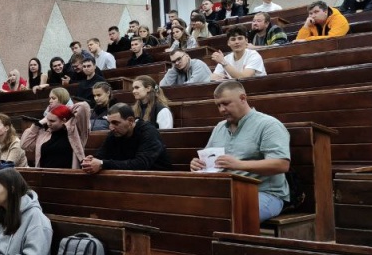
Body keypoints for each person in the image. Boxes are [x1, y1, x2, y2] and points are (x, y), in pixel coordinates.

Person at [188, 81, 291, 222]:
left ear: (243, 98)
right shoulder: (219, 127)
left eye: (226, 103)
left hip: (264, 193)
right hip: (225, 192)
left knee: (229, 215)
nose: (221, 109)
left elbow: (281, 165)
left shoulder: (268, 125)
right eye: (218, 105)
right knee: (185, 208)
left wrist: (238, 164)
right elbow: (208, 161)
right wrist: (198, 165)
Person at [82, 104, 173, 173]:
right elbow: (102, 155)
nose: (111, 127)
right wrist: (91, 161)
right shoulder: (114, 133)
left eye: (115, 123)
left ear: (130, 121)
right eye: (109, 123)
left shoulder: (148, 132)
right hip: (132, 180)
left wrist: (102, 164)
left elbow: (141, 164)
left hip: (159, 179)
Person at [21, 102, 89, 169]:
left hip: (68, 176)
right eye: (47, 120)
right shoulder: (45, 133)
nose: (48, 124)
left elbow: (83, 107)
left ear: (64, 120)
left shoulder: (74, 131)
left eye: (52, 121)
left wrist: (61, 108)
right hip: (45, 175)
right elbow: (24, 144)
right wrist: (37, 124)